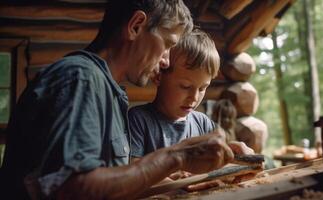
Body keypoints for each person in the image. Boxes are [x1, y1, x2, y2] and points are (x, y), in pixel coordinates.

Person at [0, 0, 253, 199]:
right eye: (167, 44)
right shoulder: (79, 78)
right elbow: (72, 191)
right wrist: (177, 156)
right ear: (135, 26)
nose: (165, 60)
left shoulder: (109, 92)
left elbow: (114, 186)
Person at [128, 28, 220, 158]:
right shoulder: (139, 120)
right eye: (185, 86)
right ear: (158, 77)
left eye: (202, 89)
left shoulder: (203, 124)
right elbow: (134, 170)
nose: (194, 97)